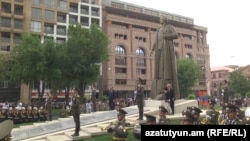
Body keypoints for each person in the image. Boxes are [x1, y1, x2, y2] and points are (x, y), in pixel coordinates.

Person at [150, 15, 180, 98]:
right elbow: (155, 41)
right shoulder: (158, 29)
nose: (160, 20)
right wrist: (152, 49)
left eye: (161, 19)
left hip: (166, 48)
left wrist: (166, 36)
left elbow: (176, 35)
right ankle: (159, 78)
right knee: (159, 66)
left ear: (165, 20)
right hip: (158, 49)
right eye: (160, 19)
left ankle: (165, 78)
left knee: (165, 65)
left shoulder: (169, 27)